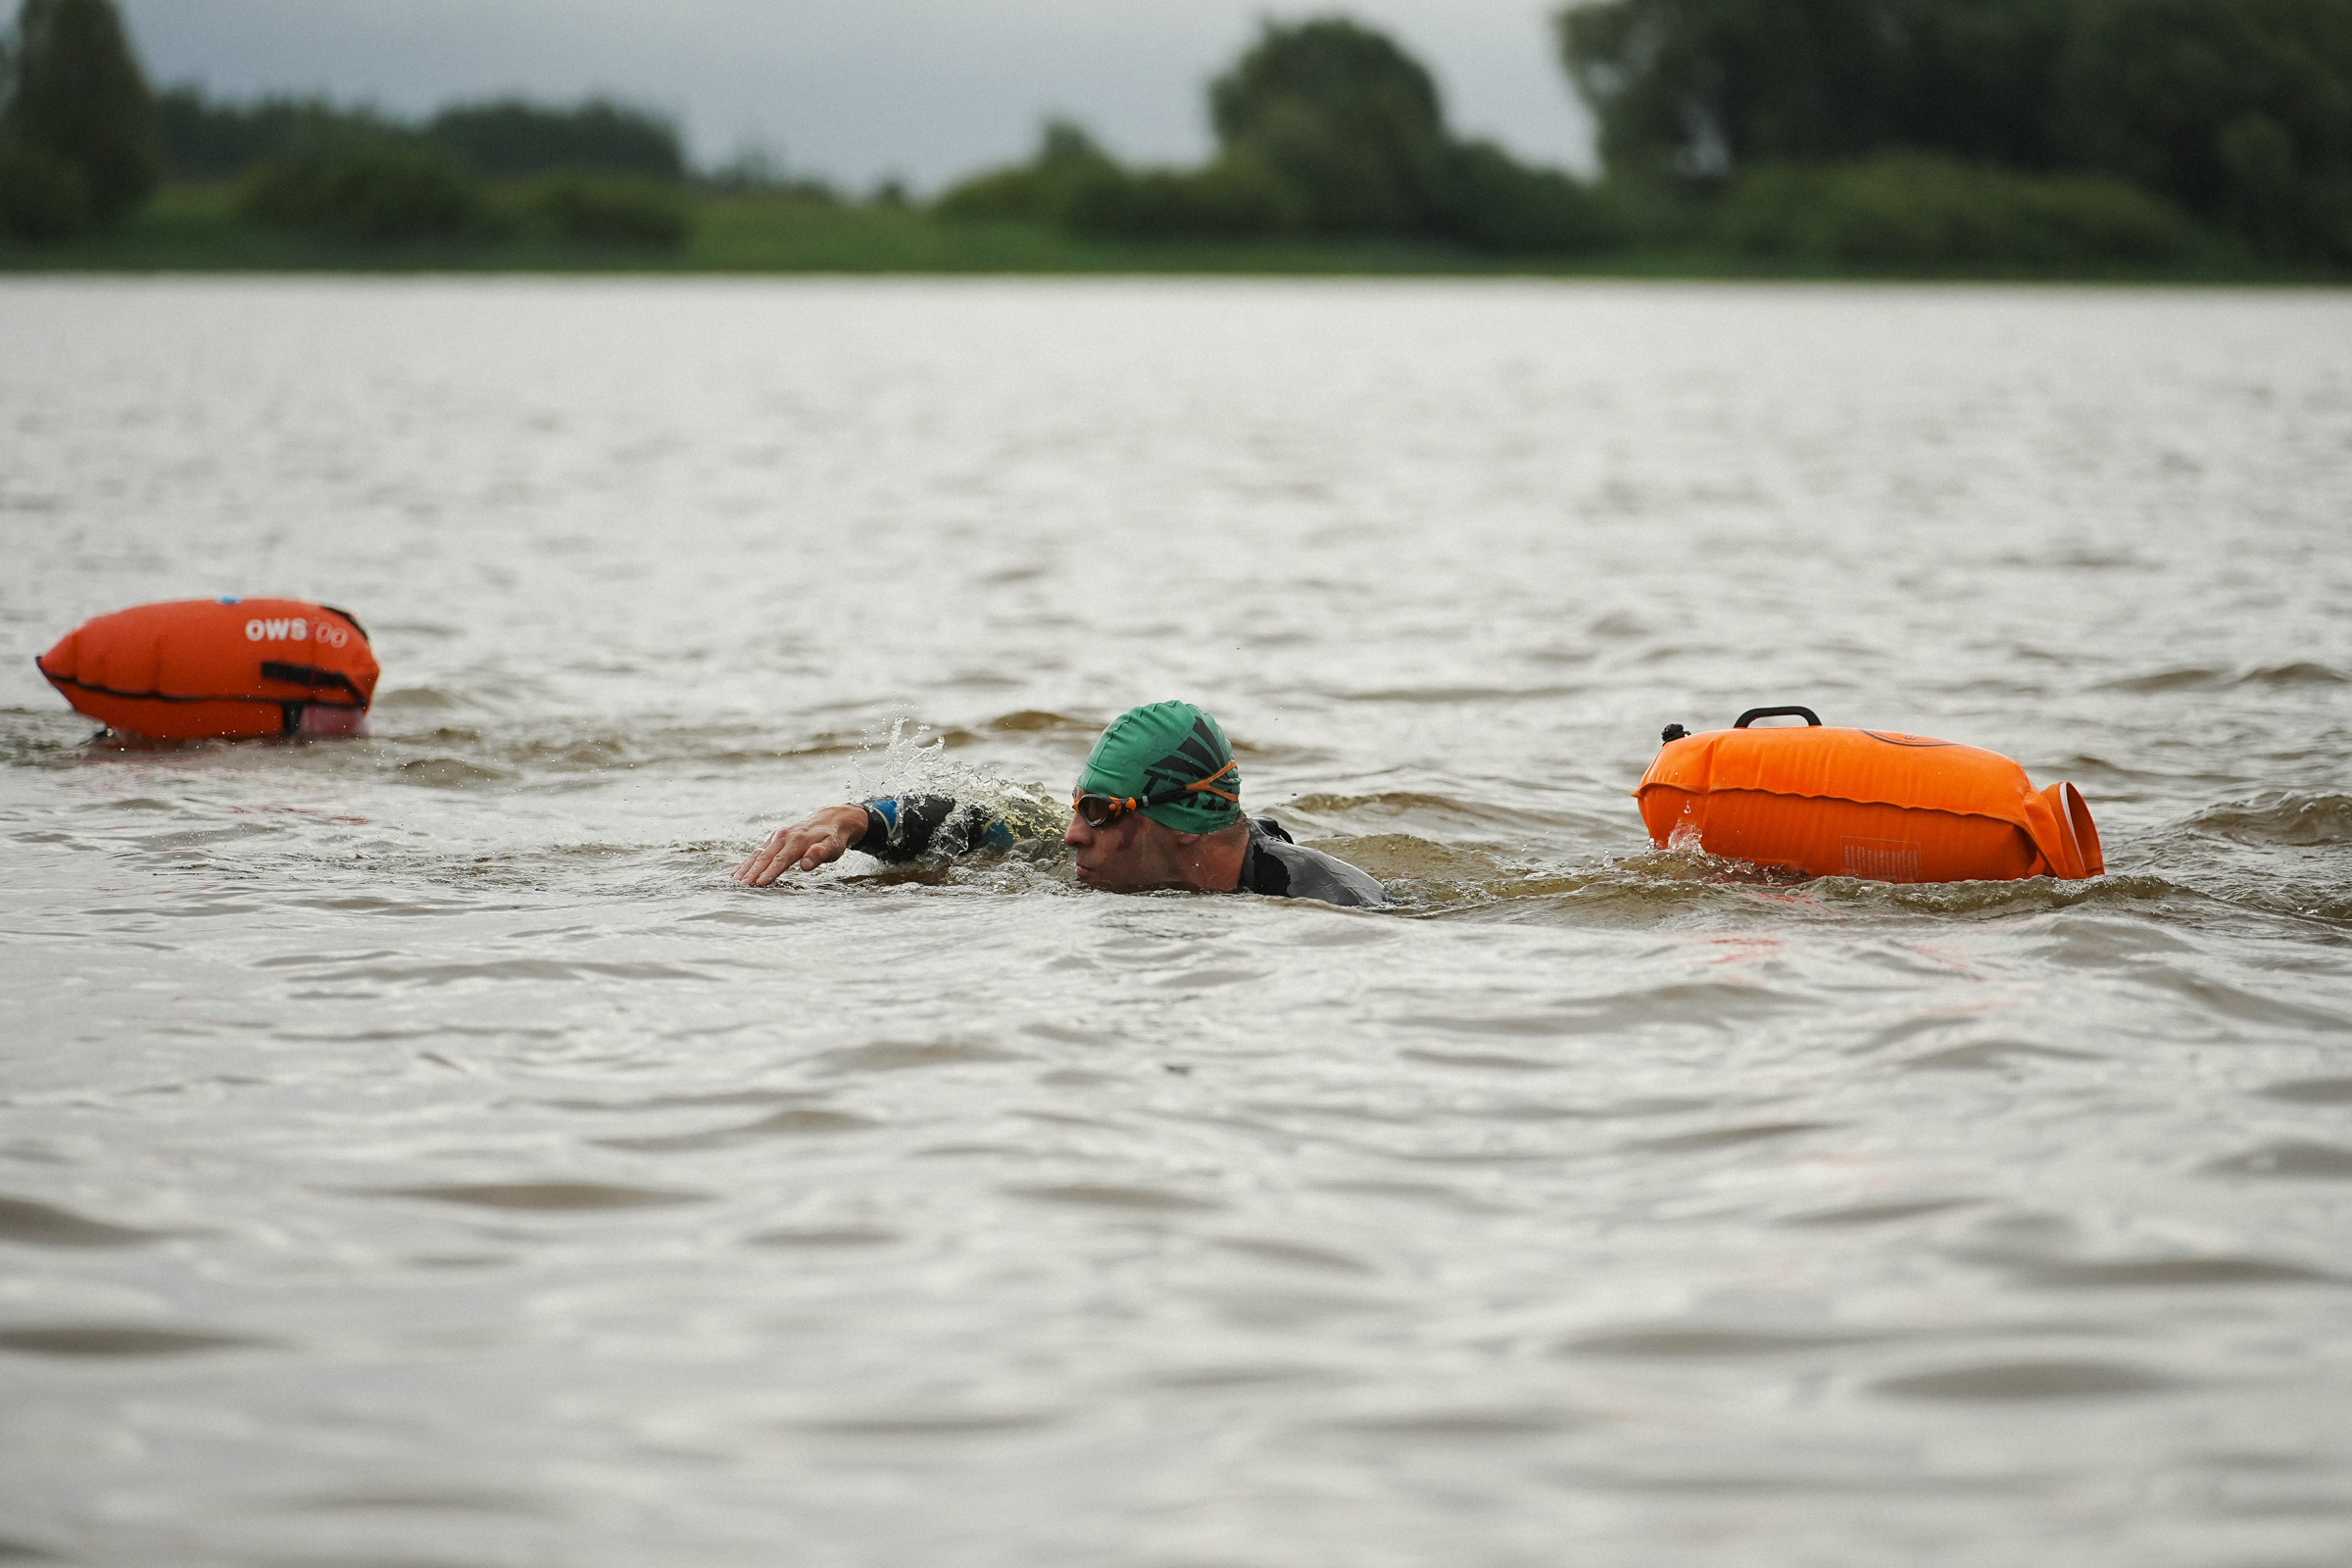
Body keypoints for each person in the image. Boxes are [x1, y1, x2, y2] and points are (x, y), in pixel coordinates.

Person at [732, 701, 1386, 907]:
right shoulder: (1083, 845)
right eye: (1076, 808)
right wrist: (863, 819)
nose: (1071, 835)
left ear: (1182, 825)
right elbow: (980, 817)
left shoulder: (1327, 902)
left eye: (1097, 812)